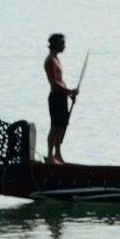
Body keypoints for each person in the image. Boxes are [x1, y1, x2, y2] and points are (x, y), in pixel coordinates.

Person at [43, 31, 77, 160]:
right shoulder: (50, 60)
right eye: (62, 43)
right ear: (55, 44)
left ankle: (57, 153)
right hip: (56, 97)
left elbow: (61, 81)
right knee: (55, 126)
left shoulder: (57, 59)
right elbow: (54, 82)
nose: (64, 46)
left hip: (62, 96)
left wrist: (69, 94)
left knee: (62, 127)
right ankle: (50, 155)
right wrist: (69, 91)